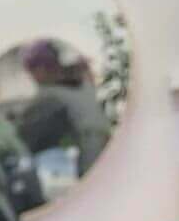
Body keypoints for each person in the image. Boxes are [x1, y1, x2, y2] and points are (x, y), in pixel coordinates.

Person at [15, 37, 111, 177]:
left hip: (90, 161)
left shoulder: (49, 96)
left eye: (32, 72)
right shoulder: (84, 83)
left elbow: (26, 139)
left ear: (41, 69)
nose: (33, 78)